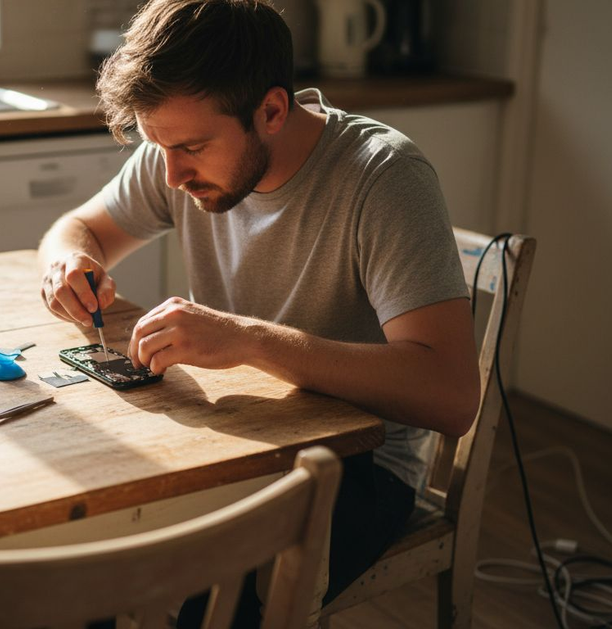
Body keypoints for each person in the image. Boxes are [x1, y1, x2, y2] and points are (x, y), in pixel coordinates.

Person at [37, 0, 480, 625]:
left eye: (189, 147)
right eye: (156, 146)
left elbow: (452, 395)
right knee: (82, 559)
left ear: (272, 110)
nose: (171, 175)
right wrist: (67, 262)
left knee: (208, 607)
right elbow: (77, 227)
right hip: (241, 442)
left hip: (360, 466)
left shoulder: (383, 177)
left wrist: (247, 341)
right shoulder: (177, 147)